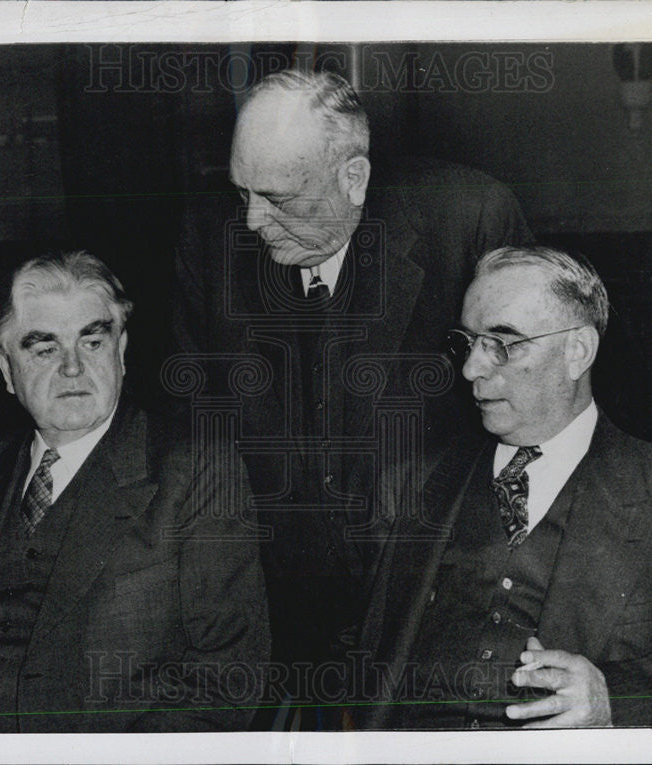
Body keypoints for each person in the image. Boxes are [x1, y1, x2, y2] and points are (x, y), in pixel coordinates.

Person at [172, 69, 533, 697]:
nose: (252, 220)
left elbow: (532, 420)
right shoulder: (208, 238)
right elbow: (196, 436)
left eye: (278, 198)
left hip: (437, 590)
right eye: (242, 192)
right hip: (274, 603)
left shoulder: (469, 220)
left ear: (353, 178)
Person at [0, 251, 270, 732]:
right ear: (6, 369)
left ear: (120, 352)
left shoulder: (194, 472)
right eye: (44, 348)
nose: (73, 368)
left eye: (92, 342)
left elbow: (225, 681)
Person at [354, 245, 652, 728]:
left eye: (503, 343)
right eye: (468, 342)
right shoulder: (405, 487)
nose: (470, 369)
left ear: (577, 352)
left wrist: (614, 699)